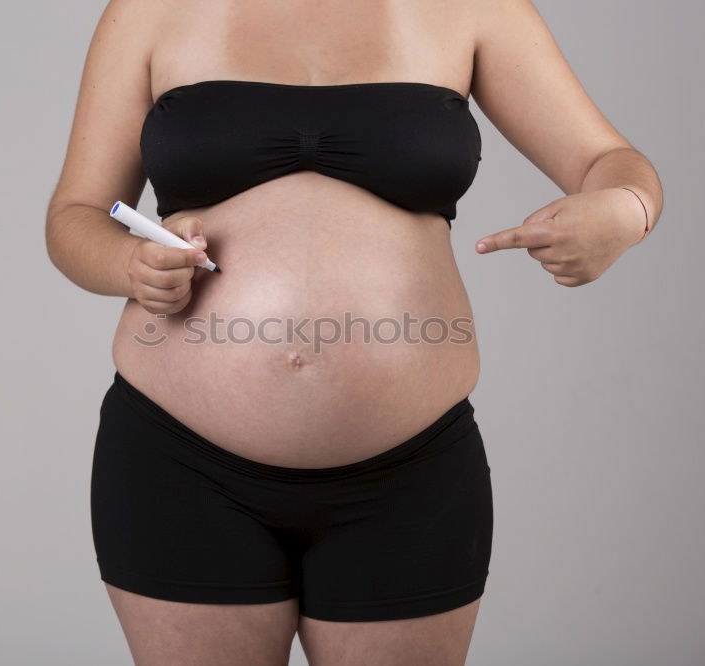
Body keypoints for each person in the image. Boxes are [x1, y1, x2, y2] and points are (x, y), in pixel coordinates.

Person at [45, 0, 663, 663]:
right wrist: (127, 263)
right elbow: (75, 214)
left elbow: (610, 159)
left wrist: (623, 211)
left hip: (408, 473)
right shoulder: (150, 10)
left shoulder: (474, 8)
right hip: (181, 461)